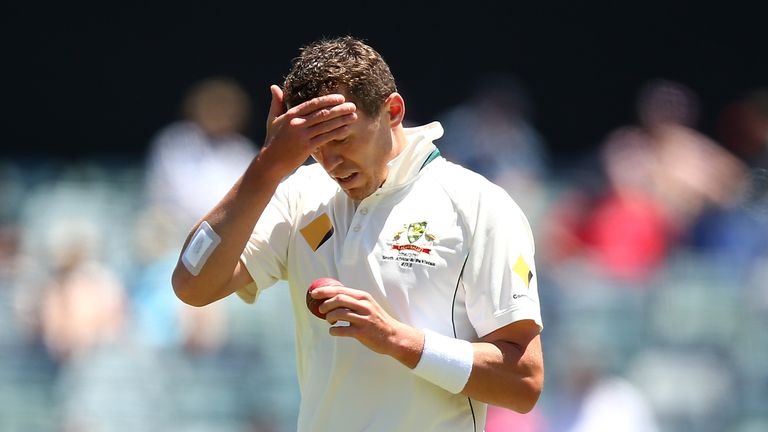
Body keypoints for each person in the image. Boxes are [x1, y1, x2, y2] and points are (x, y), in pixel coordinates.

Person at [172, 36, 544, 431]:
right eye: (316, 146)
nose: (331, 161)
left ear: (393, 111)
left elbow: (523, 382)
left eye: (342, 138)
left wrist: (397, 339)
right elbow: (192, 284)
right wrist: (267, 165)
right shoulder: (301, 194)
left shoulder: (478, 205)